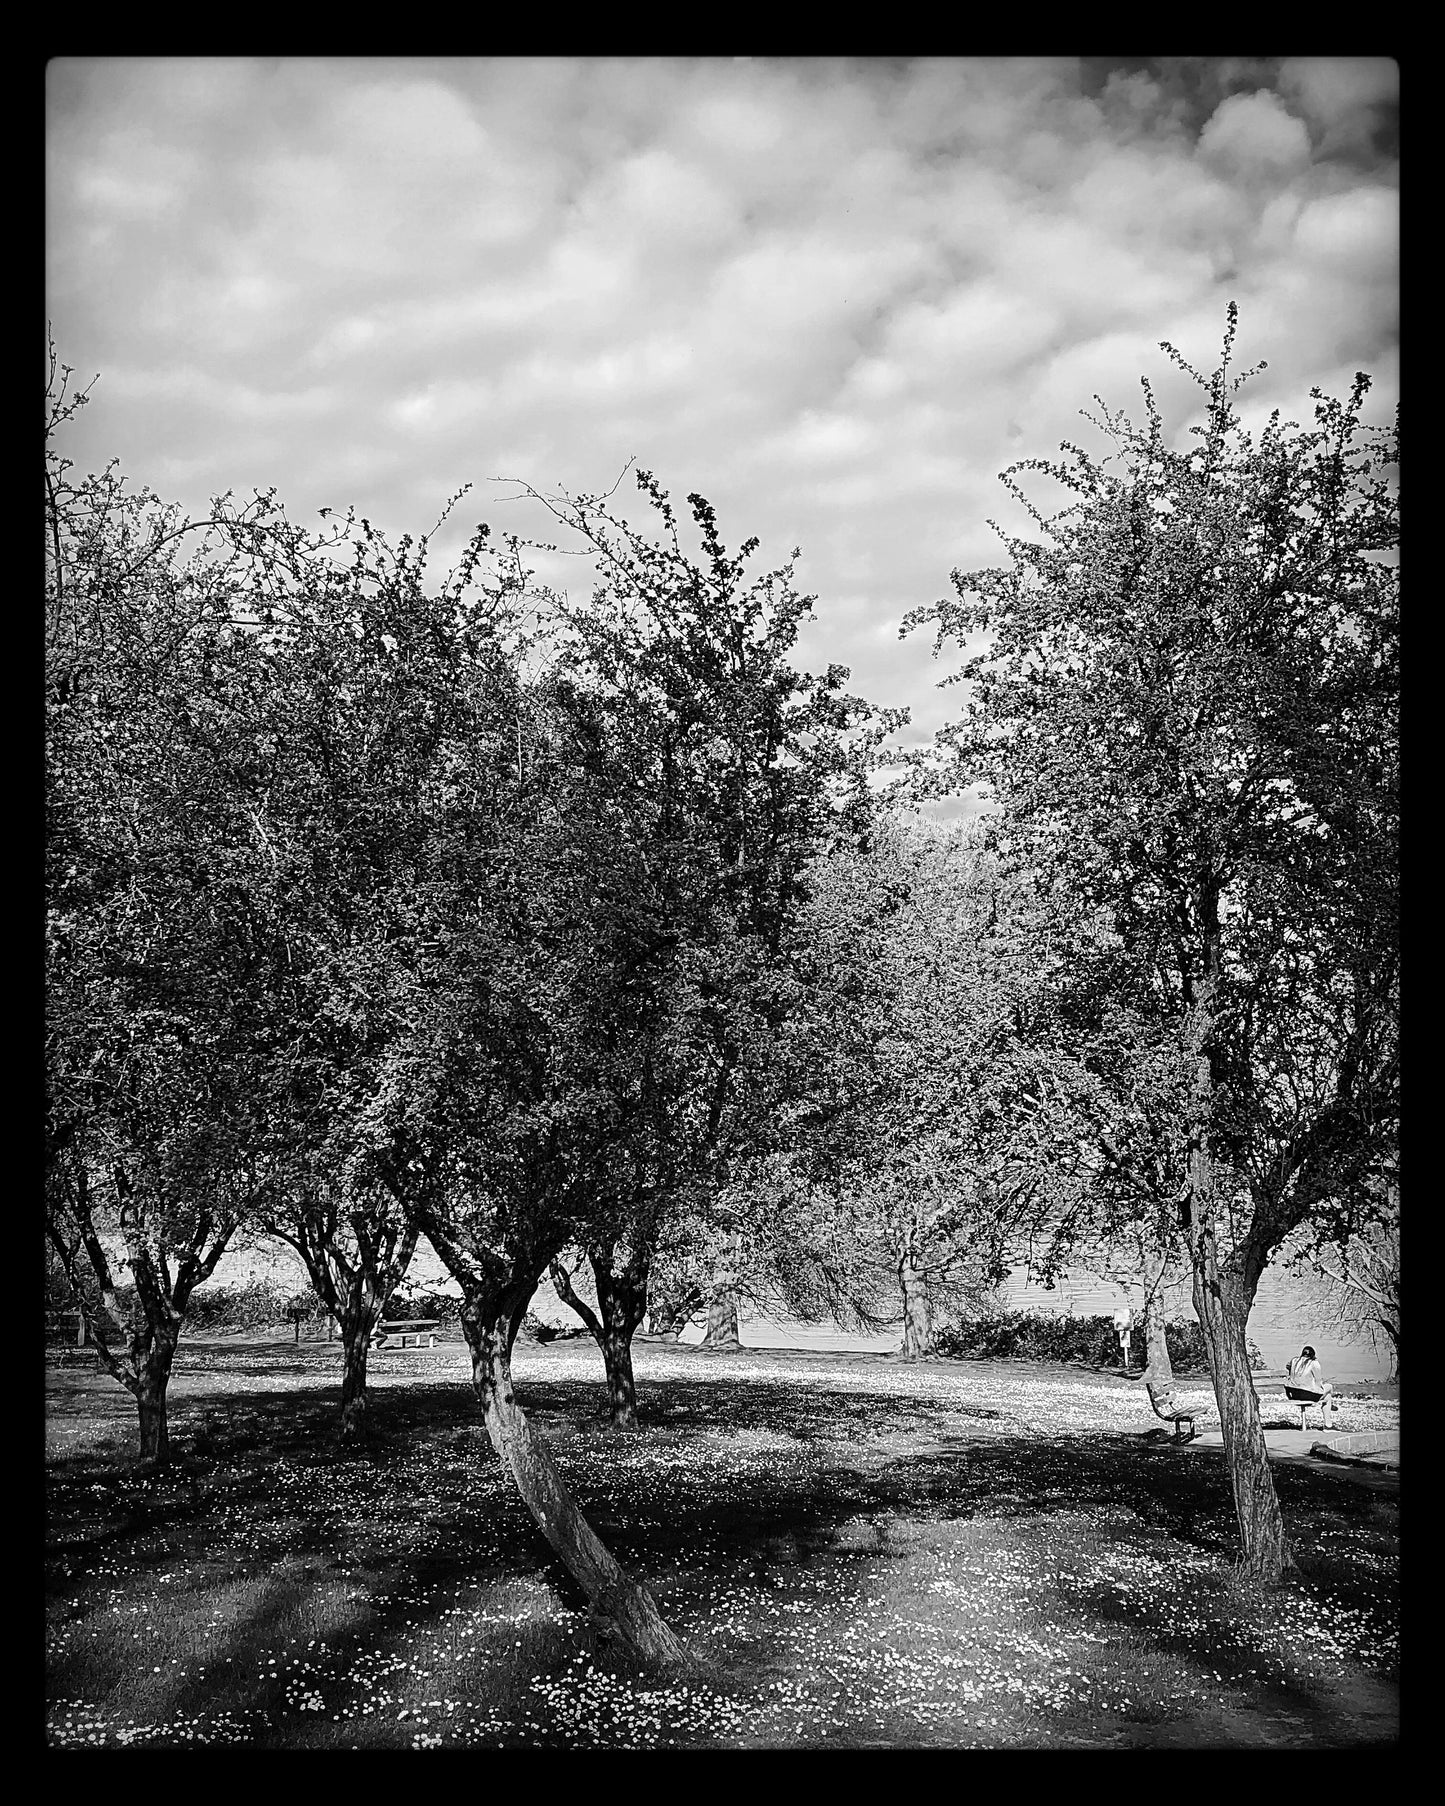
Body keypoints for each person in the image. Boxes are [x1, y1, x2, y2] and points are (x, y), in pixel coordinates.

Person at [1284, 1345, 1336, 1430]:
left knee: (1327, 1397)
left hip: (1293, 1395)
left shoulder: (1294, 1361)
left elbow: (1288, 1368)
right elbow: (1318, 1381)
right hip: (1307, 1395)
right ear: (1313, 1355)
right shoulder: (1314, 1363)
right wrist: (1320, 1389)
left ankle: (1328, 1424)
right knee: (1329, 1387)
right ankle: (1328, 1423)